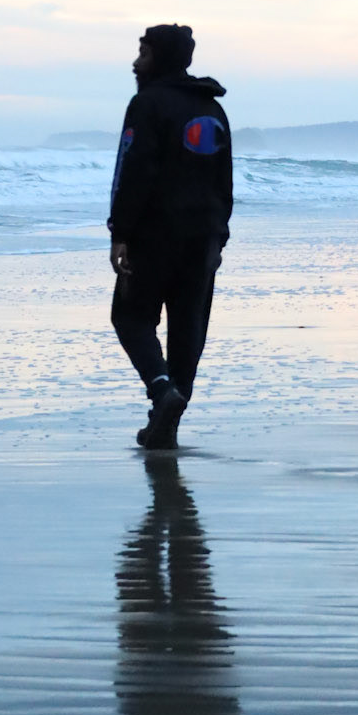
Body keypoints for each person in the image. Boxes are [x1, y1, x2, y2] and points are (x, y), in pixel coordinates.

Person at [108, 24, 233, 449]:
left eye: (142, 53)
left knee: (130, 316)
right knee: (188, 328)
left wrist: (119, 232)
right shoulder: (212, 110)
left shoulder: (147, 104)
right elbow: (225, 179)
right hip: (204, 237)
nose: (134, 62)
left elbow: (132, 168)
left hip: (155, 234)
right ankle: (168, 424)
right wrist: (220, 233)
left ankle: (162, 394)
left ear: (158, 58)